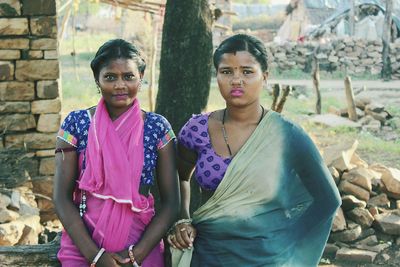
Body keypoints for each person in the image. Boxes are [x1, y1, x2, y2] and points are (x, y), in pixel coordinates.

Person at [167, 34, 341, 267]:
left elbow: (328, 199)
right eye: (227, 71)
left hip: (267, 258)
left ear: (265, 77)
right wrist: (183, 218)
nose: (236, 80)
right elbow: (180, 176)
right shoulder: (197, 130)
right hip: (208, 254)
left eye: (247, 72)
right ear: (216, 76)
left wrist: (284, 239)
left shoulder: (285, 135)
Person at [53, 39, 180, 267]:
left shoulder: (157, 128)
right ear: (97, 80)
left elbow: (171, 202)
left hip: (141, 245)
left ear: (141, 77)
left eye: (128, 76)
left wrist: (136, 255)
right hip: (83, 246)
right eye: (110, 77)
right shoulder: (77, 124)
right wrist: (95, 256)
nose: (120, 85)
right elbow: (61, 198)